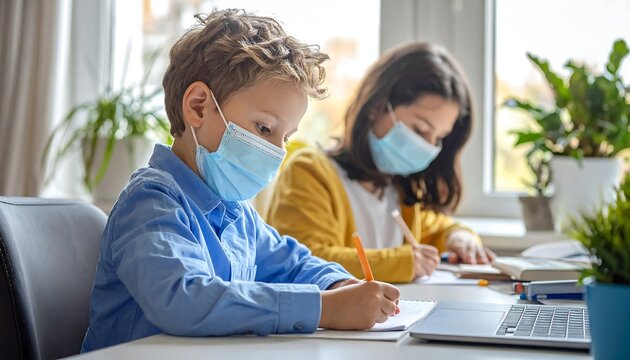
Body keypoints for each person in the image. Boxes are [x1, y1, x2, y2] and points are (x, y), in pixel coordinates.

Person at [81, 9, 400, 352]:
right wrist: (324, 308)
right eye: (264, 128)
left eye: (286, 137)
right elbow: (184, 298)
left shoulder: (236, 212)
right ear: (199, 107)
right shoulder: (150, 202)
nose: (277, 152)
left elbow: (290, 262)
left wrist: (338, 284)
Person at [266, 42, 496, 284]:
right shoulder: (310, 171)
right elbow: (304, 260)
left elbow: (436, 227)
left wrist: (458, 236)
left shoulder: (397, 186)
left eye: (438, 138)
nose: (428, 146)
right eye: (420, 129)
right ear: (377, 108)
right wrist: (402, 262)